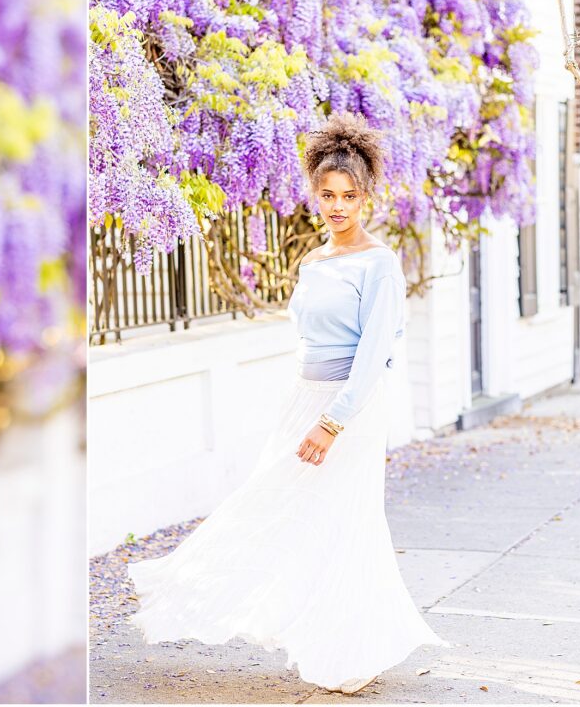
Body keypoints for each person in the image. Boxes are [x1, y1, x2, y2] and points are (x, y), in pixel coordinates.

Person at [125, 111, 452, 695]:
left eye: (349, 195)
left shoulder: (378, 264)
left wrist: (332, 423)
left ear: (368, 195)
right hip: (305, 398)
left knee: (343, 519)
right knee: (280, 507)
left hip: (346, 409)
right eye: (327, 194)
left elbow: (373, 356)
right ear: (313, 194)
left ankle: (351, 648)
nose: (338, 206)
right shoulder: (313, 260)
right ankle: (232, 600)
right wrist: (307, 409)